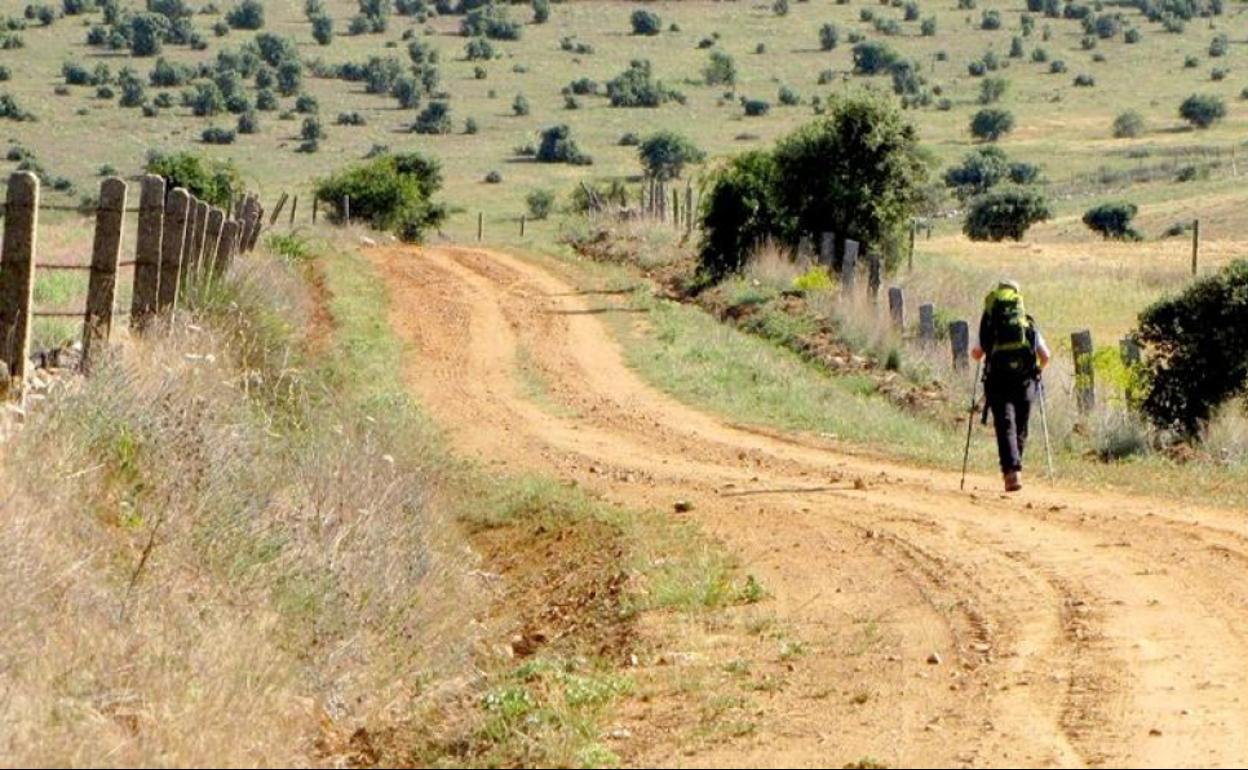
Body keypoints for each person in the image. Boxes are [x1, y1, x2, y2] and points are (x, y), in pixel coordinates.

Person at [971, 279, 1051, 492]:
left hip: (997, 378)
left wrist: (985, 353)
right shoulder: (1026, 322)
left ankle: (1011, 473)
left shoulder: (990, 321)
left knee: (1005, 424)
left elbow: (977, 353)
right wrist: (1036, 372)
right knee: (1020, 426)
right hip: (1024, 380)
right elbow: (1046, 355)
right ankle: (1015, 469)